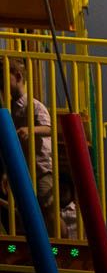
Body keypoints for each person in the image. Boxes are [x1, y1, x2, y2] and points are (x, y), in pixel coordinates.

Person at [7, 58, 55, 214]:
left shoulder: (34, 105)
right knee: (25, 210)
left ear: (19, 77)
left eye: (5, 78)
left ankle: (60, 236)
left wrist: (31, 129)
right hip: (22, 167)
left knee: (48, 209)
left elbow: (49, 128)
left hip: (41, 168)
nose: (3, 84)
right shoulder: (9, 108)